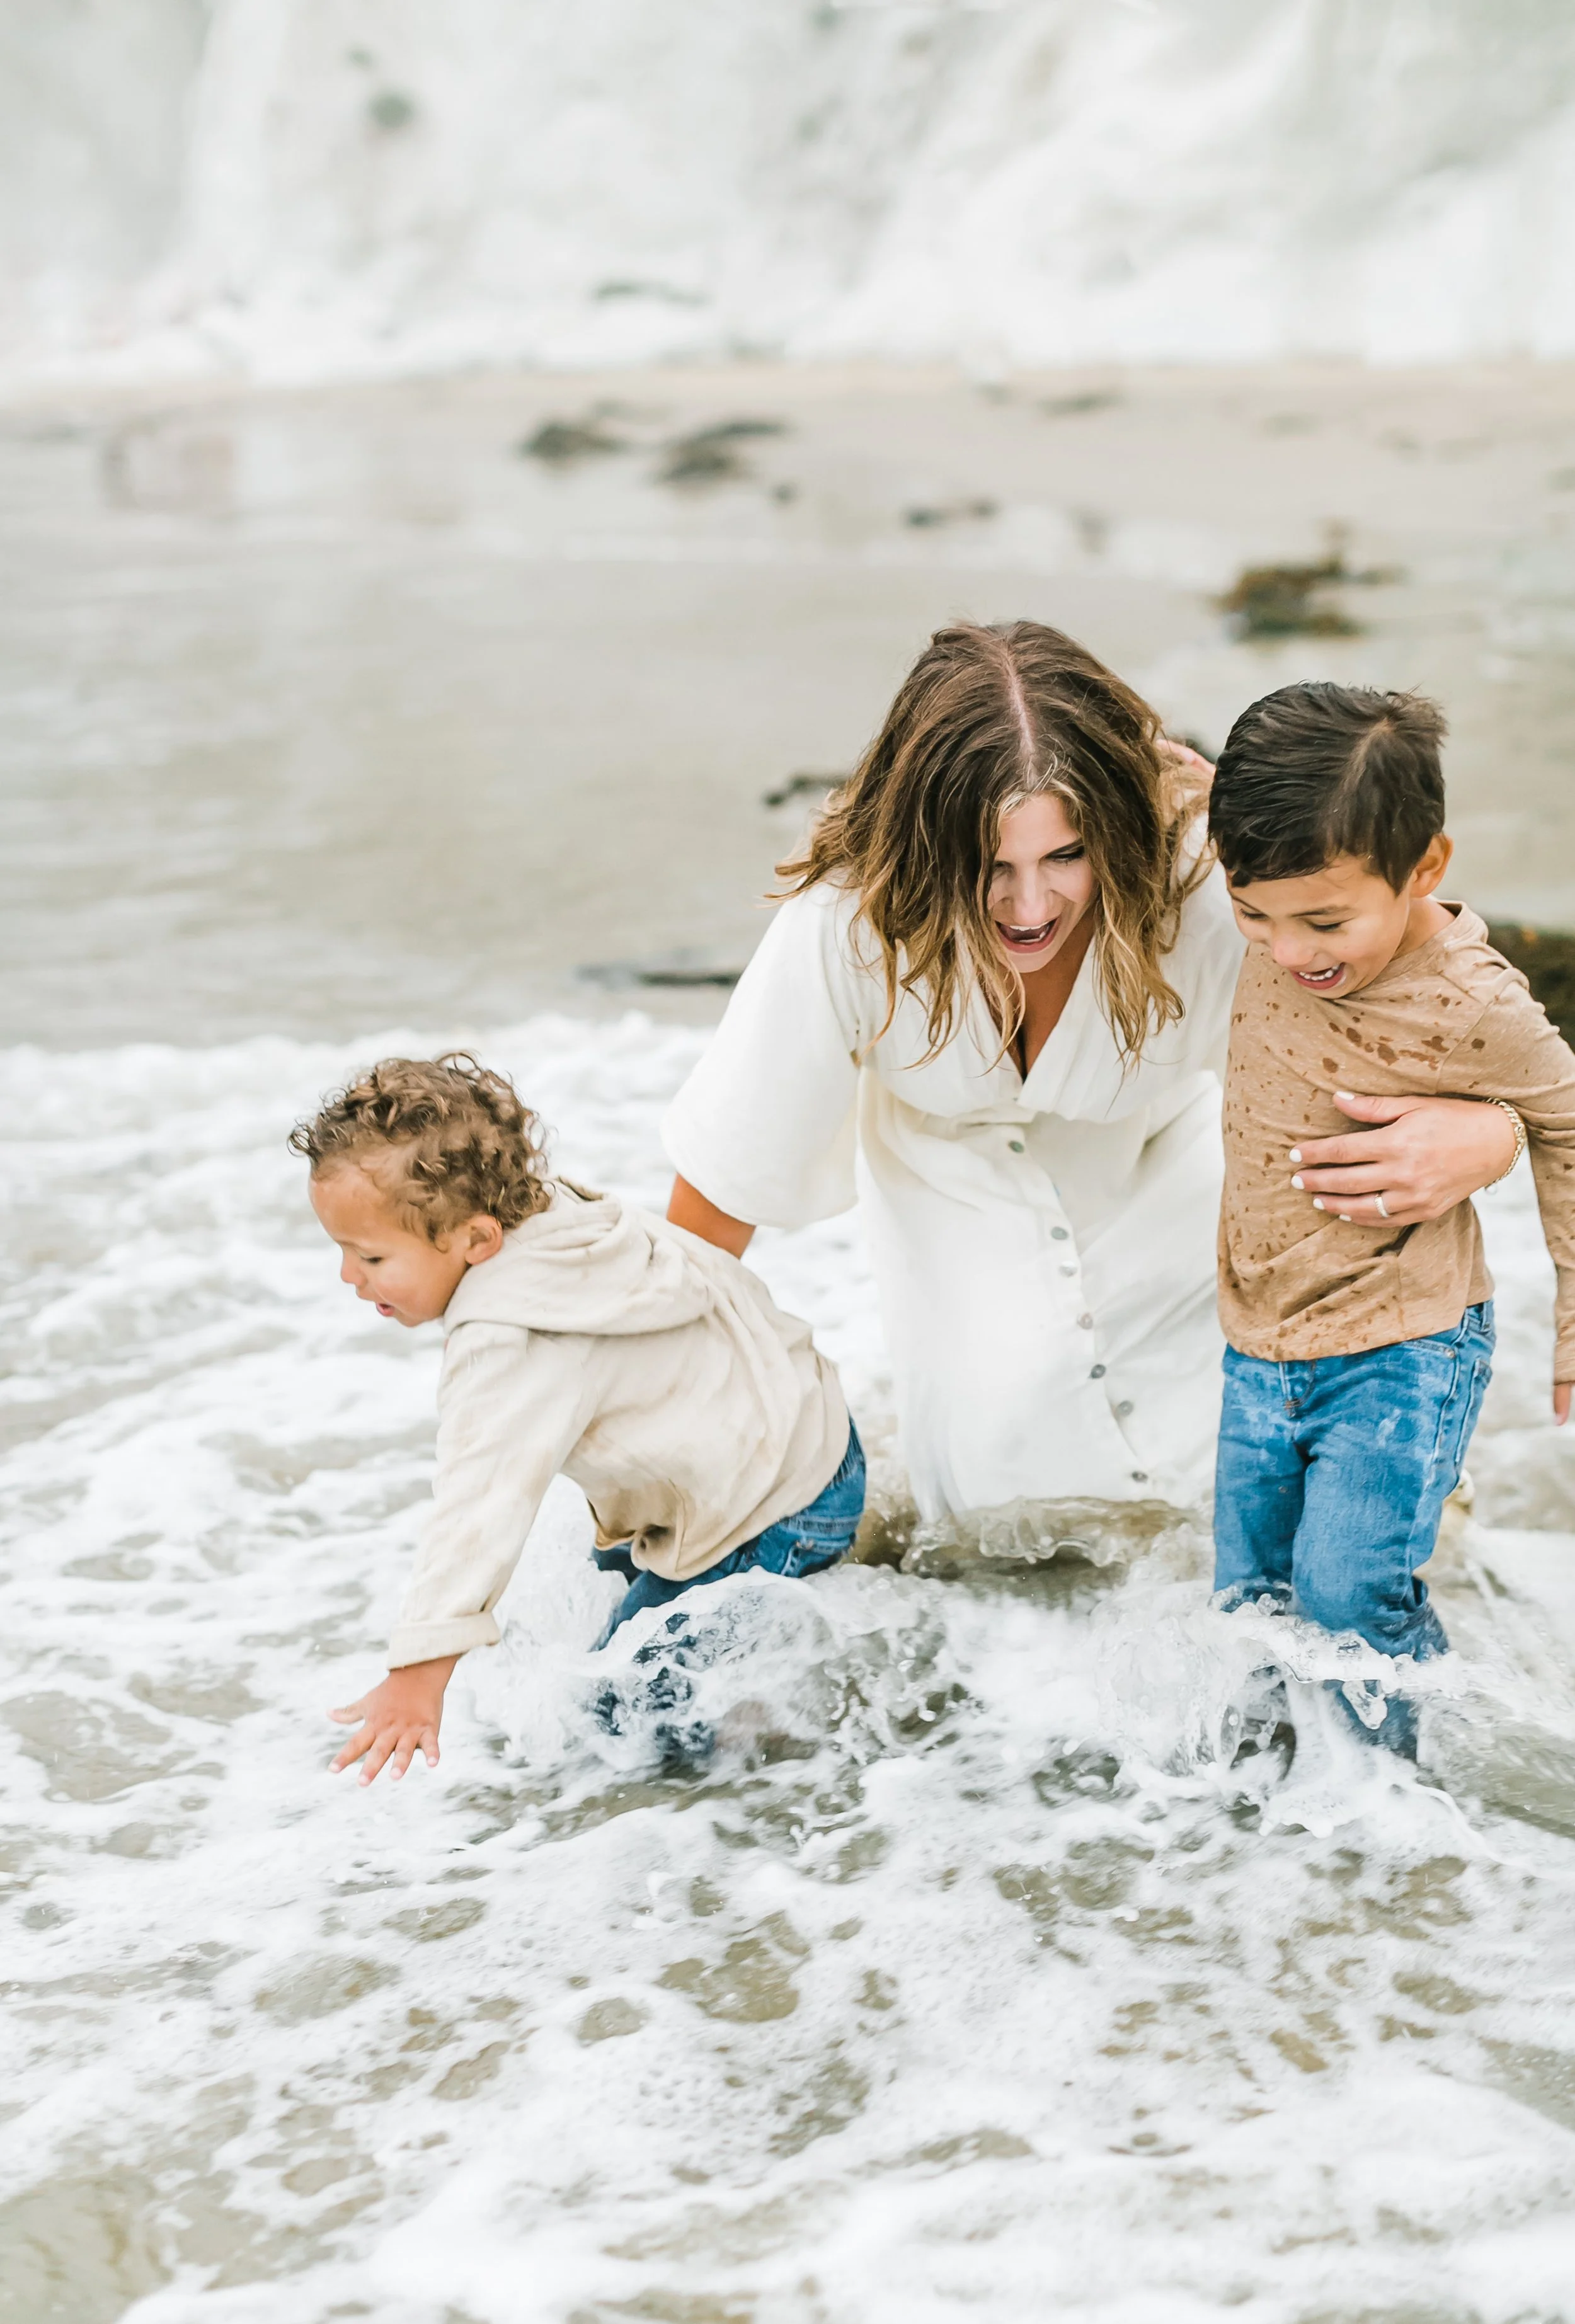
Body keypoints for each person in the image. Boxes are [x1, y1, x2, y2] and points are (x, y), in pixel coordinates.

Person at [663, 622, 1518, 1524]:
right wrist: (669, 1422)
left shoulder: (1196, 882)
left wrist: (1492, 1131)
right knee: (1005, 1517)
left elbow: (1428, 1019)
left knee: (1282, 1497)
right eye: (990, 867)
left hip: (1174, 1192)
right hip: (955, 1209)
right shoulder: (849, 922)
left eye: (1066, 856)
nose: (1030, 907)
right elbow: (726, 1182)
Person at [290, 1053, 861, 1786]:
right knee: (609, 1595)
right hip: (812, 1437)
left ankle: (774, 1778)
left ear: (477, 1239)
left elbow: (477, 1504)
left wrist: (417, 1674)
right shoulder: (562, 1219)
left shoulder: (510, 1336)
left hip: (775, 1511)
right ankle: (746, 1699)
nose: (349, 1275)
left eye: (370, 1255)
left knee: (625, 1717)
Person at [1208, 680, 1575, 1750]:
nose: (1288, 951)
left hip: (1405, 1345)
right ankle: (1261, 1816)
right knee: (1250, 1606)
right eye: (1253, 915)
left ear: (1425, 867)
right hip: (1260, 1337)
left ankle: (1406, 1805)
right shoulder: (1283, 880)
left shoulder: (1472, 998)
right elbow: (1184, 797)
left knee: (1346, 1595)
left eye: (1324, 921)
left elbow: (1566, 1115)